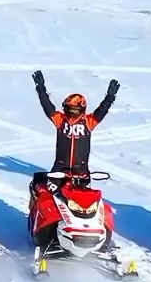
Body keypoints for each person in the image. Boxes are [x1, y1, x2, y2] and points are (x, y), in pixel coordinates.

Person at [28, 71, 119, 252]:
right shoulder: (60, 120)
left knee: (85, 207)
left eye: (75, 110)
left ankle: (91, 239)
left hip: (81, 173)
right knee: (49, 200)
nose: (72, 113)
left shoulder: (89, 122)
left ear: (82, 110)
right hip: (59, 170)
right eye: (69, 109)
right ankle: (46, 234)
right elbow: (48, 107)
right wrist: (41, 89)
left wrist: (110, 97)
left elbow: (102, 111)